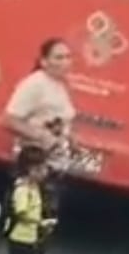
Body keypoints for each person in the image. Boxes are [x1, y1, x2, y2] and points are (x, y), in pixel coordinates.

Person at [5, 38, 77, 172]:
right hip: (34, 164)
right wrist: (42, 136)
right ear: (44, 61)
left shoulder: (60, 84)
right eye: (58, 58)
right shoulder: (35, 84)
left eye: (68, 57)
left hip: (54, 164)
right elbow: (9, 120)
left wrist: (71, 139)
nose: (65, 62)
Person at [4, 146, 57, 254]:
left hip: (30, 236)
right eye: (41, 169)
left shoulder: (33, 187)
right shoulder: (22, 189)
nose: (45, 172)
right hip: (20, 237)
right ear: (30, 170)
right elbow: (21, 211)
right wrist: (41, 222)